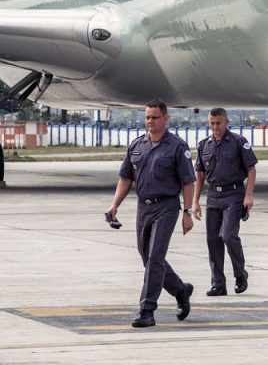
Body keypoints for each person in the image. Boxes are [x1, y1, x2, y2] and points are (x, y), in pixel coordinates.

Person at [106, 100, 195, 328]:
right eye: (147, 117)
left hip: (166, 207)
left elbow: (188, 181)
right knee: (147, 257)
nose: (150, 121)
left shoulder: (177, 146)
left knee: (155, 257)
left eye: (155, 117)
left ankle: (147, 310)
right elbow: (126, 178)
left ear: (166, 119)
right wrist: (114, 205)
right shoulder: (137, 145)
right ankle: (180, 290)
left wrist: (187, 212)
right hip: (143, 207)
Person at [193, 108, 257, 296]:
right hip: (213, 196)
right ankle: (218, 283)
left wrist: (249, 195)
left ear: (226, 122)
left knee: (228, 236)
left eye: (218, 123)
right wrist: (195, 201)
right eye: (212, 123)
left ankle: (240, 274)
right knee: (213, 240)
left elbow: (251, 169)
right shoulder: (204, 145)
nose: (215, 127)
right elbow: (200, 174)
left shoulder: (238, 142)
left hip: (234, 194)